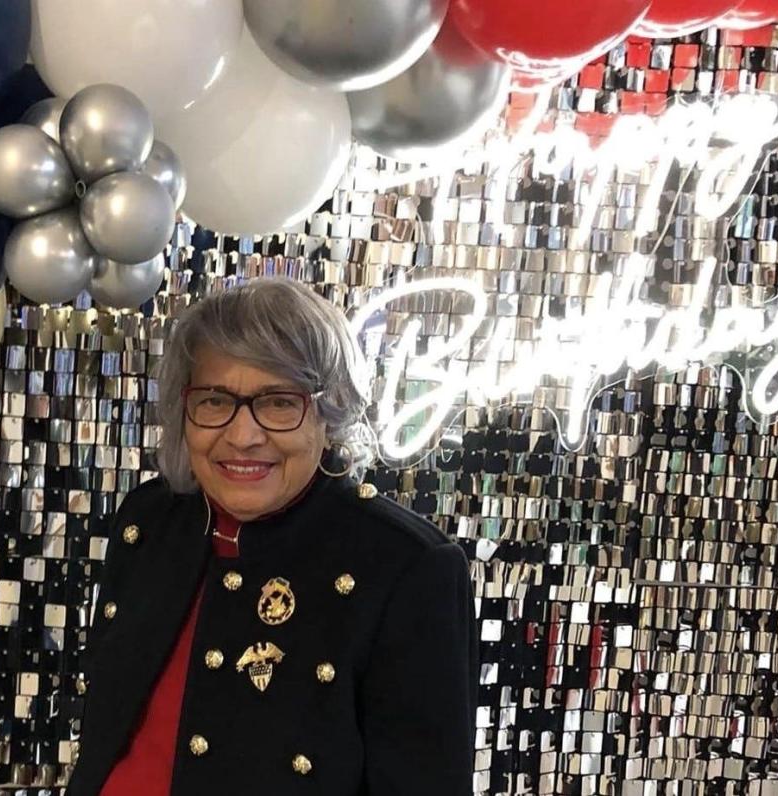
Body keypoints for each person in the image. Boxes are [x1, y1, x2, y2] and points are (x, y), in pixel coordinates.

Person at [66, 278, 477, 796]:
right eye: (216, 401)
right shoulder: (150, 520)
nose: (243, 435)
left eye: (280, 403)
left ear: (330, 414)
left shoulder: (406, 567)